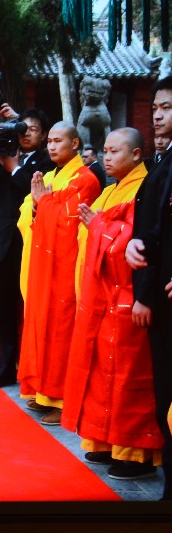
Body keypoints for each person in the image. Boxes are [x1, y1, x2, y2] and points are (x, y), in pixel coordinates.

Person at [62, 128, 163, 480]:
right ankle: (104, 441)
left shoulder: (144, 188)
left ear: (136, 155)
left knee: (127, 378)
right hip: (101, 297)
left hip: (127, 296)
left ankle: (134, 453)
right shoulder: (109, 191)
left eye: (113, 151)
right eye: (103, 150)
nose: (105, 157)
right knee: (101, 375)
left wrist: (99, 224)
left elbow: (131, 243)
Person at [18, 121, 101, 424]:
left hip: (67, 267)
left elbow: (69, 225)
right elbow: (26, 212)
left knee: (62, 331)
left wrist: (43, 202)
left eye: (58, 141)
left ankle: (63, 398)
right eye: (49, 141)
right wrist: (40, 204)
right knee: (42, 325)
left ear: (75, 144)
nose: (51, 146)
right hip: (45, 265)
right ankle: (42, 391)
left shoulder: (86, 180)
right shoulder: (50, 176)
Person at [0, 106, 54, 388]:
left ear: (44, 135)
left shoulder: (48, 161)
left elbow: (36, 192)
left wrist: (16, 169)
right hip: (2, 244)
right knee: (5, 310)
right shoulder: (7, 154)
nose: (25, 134)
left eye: (32, 130)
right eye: (22, 129)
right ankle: (7, 368)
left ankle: (36, 371)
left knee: (32, 310)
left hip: (30, 245)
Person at [126, 77, 172, 499]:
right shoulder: (165, 160)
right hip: (157, 288)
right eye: (156, 106)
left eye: (167, 107)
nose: (157, 114)